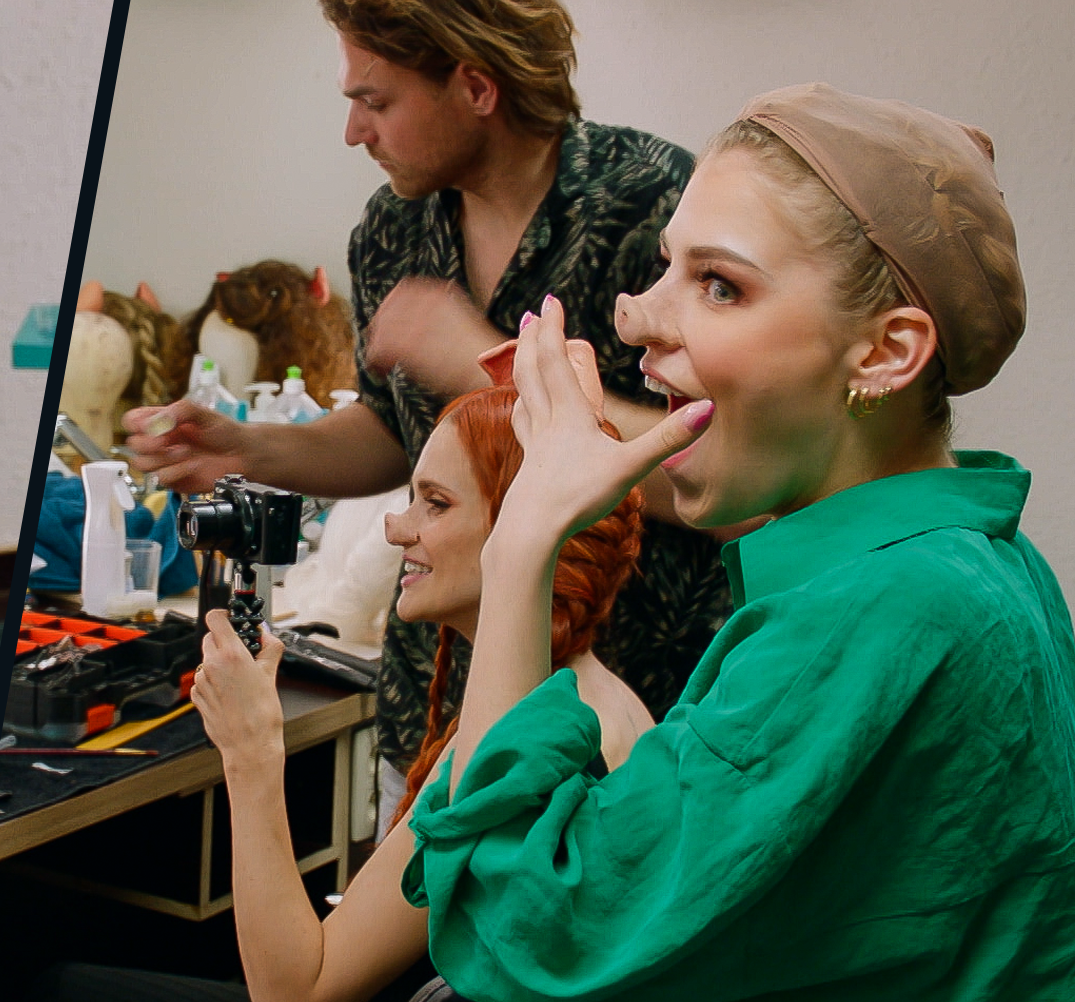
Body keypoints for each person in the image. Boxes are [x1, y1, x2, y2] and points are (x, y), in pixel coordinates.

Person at [407, 84, 1075, 998]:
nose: (635, 316)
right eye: (666, 267)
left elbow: (521, 940)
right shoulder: (987, 564)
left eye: (721, 286)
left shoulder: (878, 614)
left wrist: (523, 535)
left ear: (885, 352)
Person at [126, 0, 732, 776]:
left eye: (375, 102)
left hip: (626, 728)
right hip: (432, 713)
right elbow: (390, 436)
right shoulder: (392, 230)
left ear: (476, 87)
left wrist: (489, 359)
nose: (355, 133)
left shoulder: (657, 207)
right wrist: (249, 449)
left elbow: (723, 482)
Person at [27, 369, 655, 1002]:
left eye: (435, 504)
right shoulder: (600, 701)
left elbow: (295, 993)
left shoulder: (520, 743)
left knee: (57, 983)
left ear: (526, 529)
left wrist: (251, 752)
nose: (396, 527)